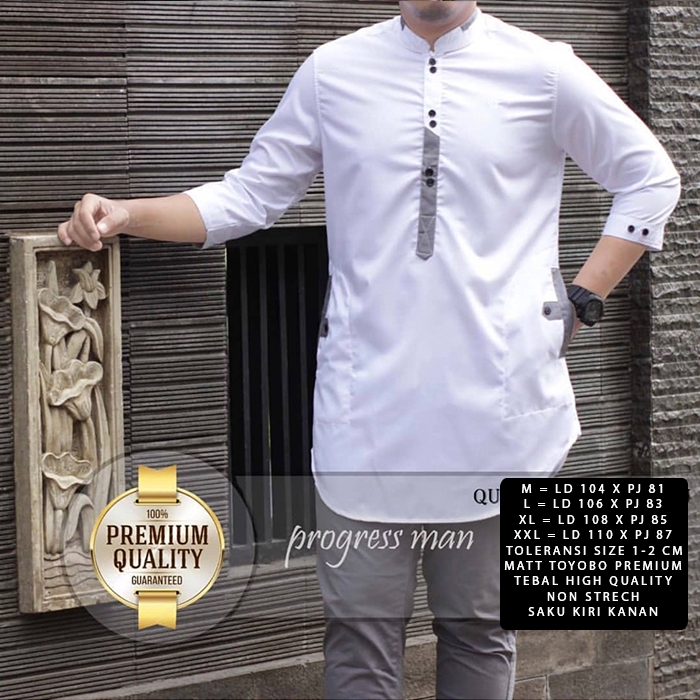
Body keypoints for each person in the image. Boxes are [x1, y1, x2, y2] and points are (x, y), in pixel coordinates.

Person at [59, 1, 681, 698]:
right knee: (359, 640)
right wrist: (128, 215)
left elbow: (651, 178)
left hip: (501, 421)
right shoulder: (334, 71)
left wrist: (582, 299)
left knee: (481, 632)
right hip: (365, 421)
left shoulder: (544, 70)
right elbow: (251, 195)